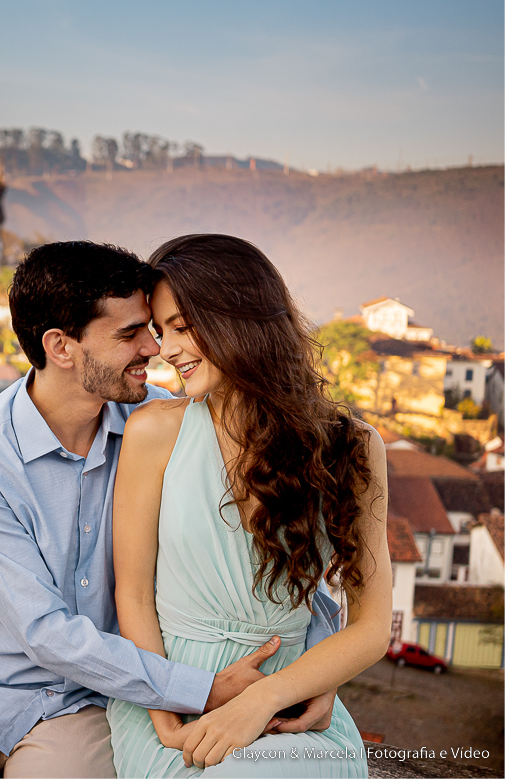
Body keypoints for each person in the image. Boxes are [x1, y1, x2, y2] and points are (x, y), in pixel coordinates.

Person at [0, 241, 341, 779]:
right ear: (61, 347)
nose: (154, 348)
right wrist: (202, 689)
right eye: (129, 335)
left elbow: (277, 546)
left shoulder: (170, 427)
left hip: (96, 699)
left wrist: (313, 674)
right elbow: (42, 630)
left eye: (153, 328)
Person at [108, 234, 390, 777]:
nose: (166, 349)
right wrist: (165, 711)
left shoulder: (353, 447)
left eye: (182, 328)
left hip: (289, 700)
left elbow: (372, 626)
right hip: (174, 691)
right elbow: (134, 593)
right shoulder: (153, 433)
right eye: (161, 331)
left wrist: (269, 698)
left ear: (241, 318)